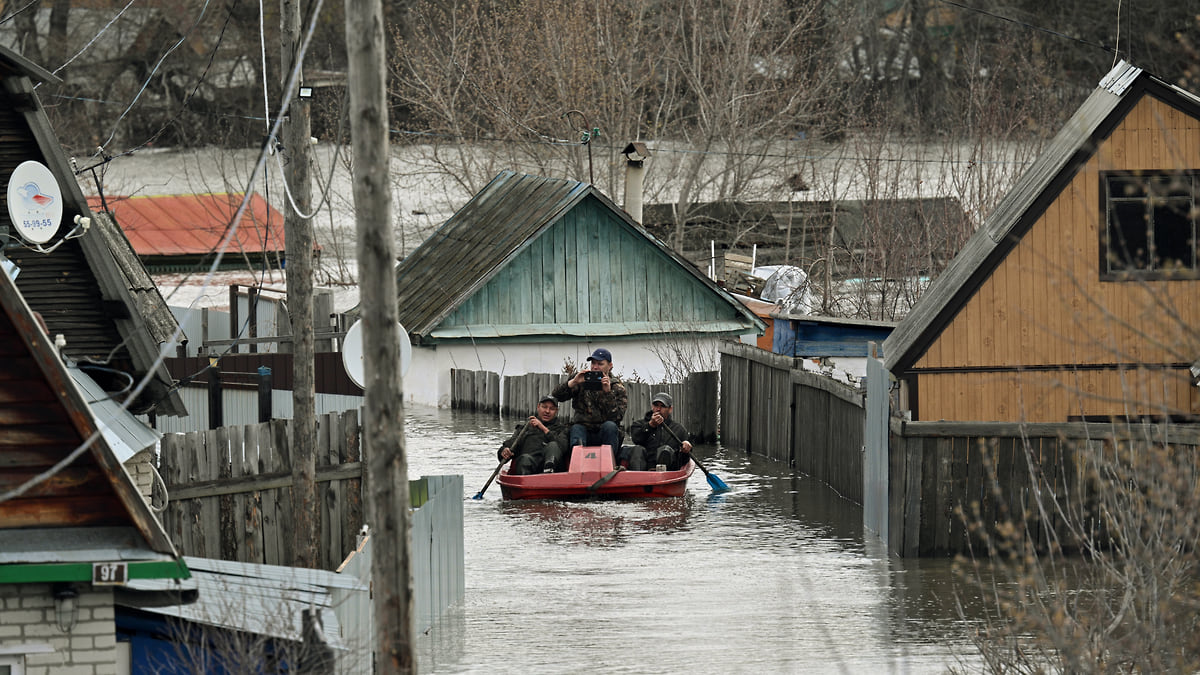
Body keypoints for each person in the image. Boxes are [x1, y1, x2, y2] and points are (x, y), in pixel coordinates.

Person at [552, 347, 627, 456]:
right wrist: (573, 382)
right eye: (593, 363)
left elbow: (617, 417)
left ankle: (609, 463)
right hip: (582, 430)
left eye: (600, 364)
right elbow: (556, 396)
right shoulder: (581, 379)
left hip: (604, 433)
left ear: (610, 366)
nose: (595, 367)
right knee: (576, 428)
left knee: (610, 427)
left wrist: (607, 393)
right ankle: (577, 463)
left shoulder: (617, 387)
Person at [498, 395, 569, 474]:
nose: (547, 411)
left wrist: (543, 428)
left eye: (551, 409)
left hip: (554, 472)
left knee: (553, 445)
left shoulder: (562, 429)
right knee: (525, 459)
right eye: (544, 407)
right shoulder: (525, 428)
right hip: (529, 468)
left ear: (556, 411)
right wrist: (504, 451)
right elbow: (510, 445)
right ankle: (527, 482)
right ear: (538, 407)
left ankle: (548, 472)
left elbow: (563, 446)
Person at [624, 392, 693, 471]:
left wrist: (686, 447)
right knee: (637, 449)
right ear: (652, 406)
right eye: (656, 405)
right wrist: (650, 426)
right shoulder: (639, 425)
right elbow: (636, 439)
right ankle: (638, 478)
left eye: (663, 406)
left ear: (670, 409)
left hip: (668, 470)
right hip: (643, 469)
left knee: (665, 450)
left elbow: (685, 459)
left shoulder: (679, 429)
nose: (658, 409)